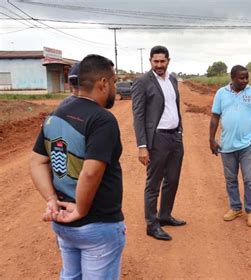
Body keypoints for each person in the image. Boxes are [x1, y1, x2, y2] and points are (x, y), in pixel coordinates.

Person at [30, 54, 125, 279]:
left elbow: (37, 161)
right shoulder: (102, 119)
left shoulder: (56, 114)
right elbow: (91, 171)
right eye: (113, 82)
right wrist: (81, 209)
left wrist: (51, 200)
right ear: (103, 83)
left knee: (71, 275)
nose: (114, 87)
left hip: (63, 222)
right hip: (96, 223)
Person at [131, 45, 186, 241]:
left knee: (172, 180)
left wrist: (180, 130)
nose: (159, 65)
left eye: (163, 61)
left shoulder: (172, 79)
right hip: (157, 139)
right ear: (150, 61)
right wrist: (142, 145)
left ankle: (164, 215)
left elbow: (174, 107)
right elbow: (138, 114)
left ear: (168, 61)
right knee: (153, 183)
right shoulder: (142, 82)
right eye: (156, 61)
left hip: (175, 137)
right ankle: (152, 224)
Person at [209, 65, 251, 227]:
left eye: (247, 77)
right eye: (241, 78)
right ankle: (235, 207)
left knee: (249, 178)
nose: (245, 81)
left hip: (248, 145)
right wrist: (211, 139)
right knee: (231, 179)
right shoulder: (221, 94)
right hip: (227, 146)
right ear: (232, 77)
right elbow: (214, 117)